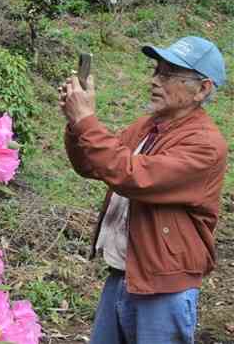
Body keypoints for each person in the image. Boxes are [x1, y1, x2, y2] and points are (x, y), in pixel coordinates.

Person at [59, 36, 228, 344]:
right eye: (156, 71)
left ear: (202, 89)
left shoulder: (205, 145)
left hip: (165, 287)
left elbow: (131, 175)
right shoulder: (148, 126)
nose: (155, 81)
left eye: (168, 75)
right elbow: (93, 164)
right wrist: (75, 125)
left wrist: (87, 120)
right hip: (125, 274)